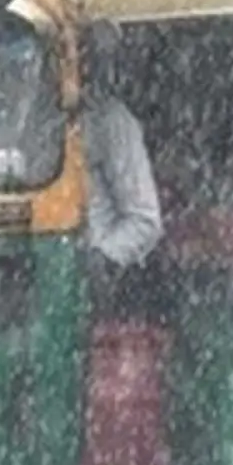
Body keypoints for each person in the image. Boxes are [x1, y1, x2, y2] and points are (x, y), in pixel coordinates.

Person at [79, 21, 164, 312]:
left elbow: (144, 220)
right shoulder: (26, 118)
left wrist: (102, 260)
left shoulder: (110, 120)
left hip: (84, 289)